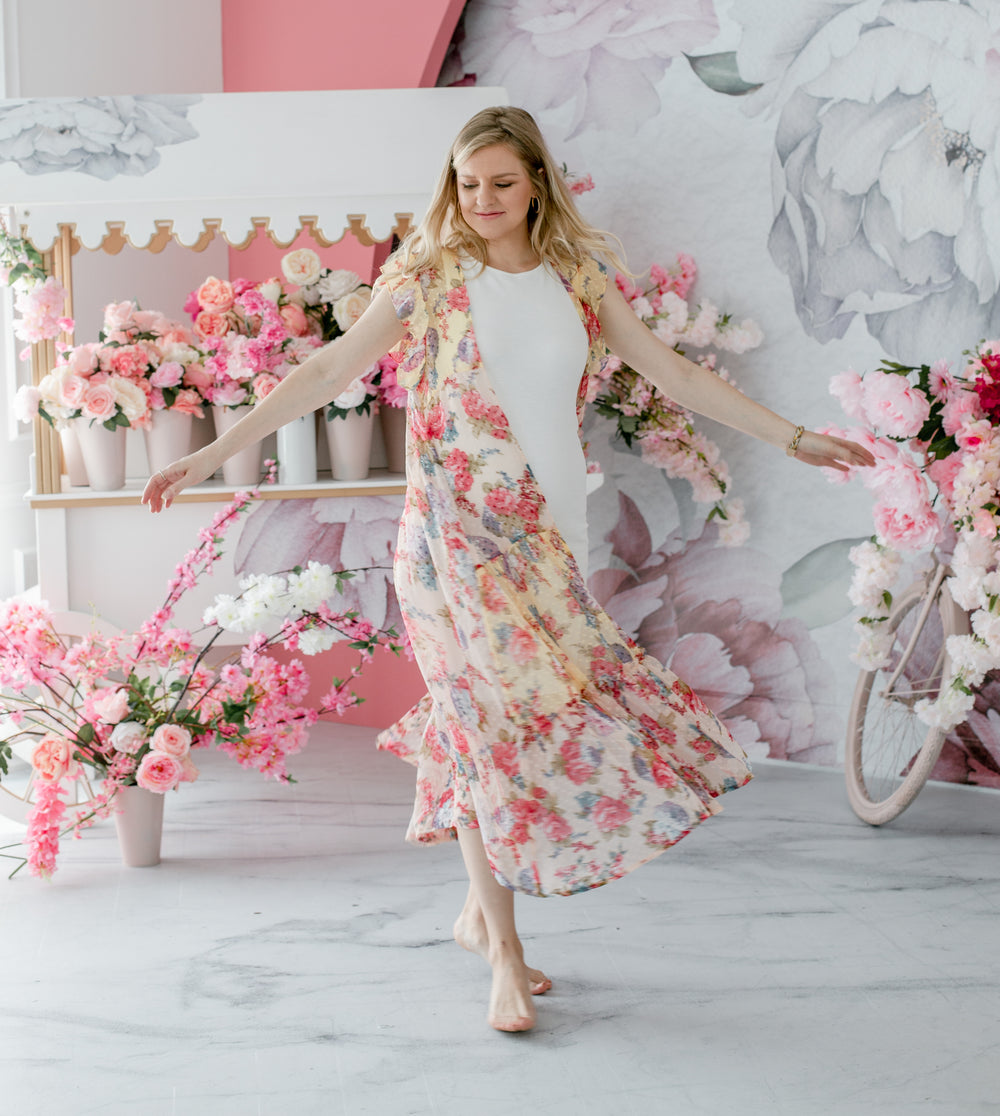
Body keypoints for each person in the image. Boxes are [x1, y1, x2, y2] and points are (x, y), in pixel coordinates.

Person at [143, 105, 874, 1034]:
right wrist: (212, 456)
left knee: (521, 724)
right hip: (451, 539)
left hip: (550, 536)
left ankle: (476, 920)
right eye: (467, 182)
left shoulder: (578, 273)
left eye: (500, 182)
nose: (480, 199)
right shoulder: (429, 273)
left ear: (536, 184)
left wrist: (796, 436)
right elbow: (326, 371)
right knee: (485, 727)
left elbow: (670, 375)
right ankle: (508, 952)